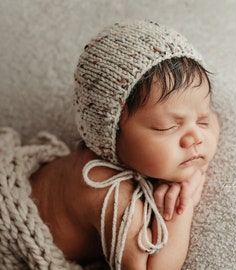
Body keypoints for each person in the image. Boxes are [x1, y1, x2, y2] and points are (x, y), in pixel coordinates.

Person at [0, 21, 219, 270]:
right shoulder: (114, 195)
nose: (196, 138)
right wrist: (184, 203)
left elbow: (214, 119)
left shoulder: (177, 137)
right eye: (167, 127)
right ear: (111, 130)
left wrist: (197, 152)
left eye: (201, 120)